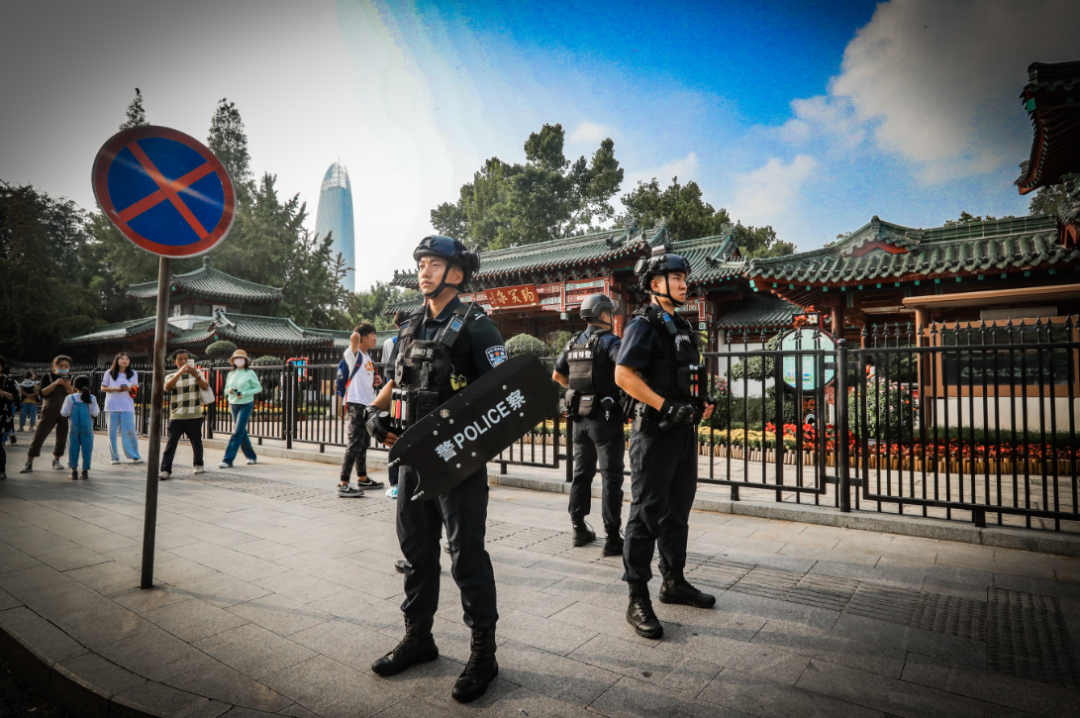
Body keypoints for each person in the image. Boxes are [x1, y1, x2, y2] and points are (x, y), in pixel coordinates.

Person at [364, 235, 506, 703]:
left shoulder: (478, 326)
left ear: (457, 274)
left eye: (434, 264)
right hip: (413, 460)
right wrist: (374, 414)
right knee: (416, 551)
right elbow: (395, 383)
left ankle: (484, 653)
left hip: (459, 461)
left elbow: (504, 393)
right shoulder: (409, 327)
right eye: (421, 263)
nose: (424, 271)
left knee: (466, 554)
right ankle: (419, 638)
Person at [615, 249, 716, 640]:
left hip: (683, 431)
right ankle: (637, 598)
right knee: (646, 513)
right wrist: (663, 405)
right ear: (655, 284)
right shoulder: (644, 324)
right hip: (654, 432)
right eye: (676, 278)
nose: (684, 284)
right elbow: (624, 375)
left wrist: (701, 401)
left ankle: (673, 581)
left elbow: (689, 374)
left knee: (678, 510)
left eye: (684, 278)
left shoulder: (684, 327)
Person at [552, 293, 625, 556]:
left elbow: (557, 375)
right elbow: (625, 369)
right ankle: (612, 538)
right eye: (611, 313)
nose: (612, 318)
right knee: (611, 476)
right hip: (605, 419)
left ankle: (578, 529)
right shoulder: (610, 341)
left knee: (582, 474)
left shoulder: (573, 343)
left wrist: (580, 391)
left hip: (579, 419)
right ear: (603, 315)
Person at [338, 323, 384, 496]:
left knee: (363, 443)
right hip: (356, 404)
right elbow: (354, 338)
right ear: (363, 338)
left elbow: (363, 377)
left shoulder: (367, 356)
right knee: (354, 443)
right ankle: (344, 483)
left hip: (366, 404)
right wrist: (359, 331)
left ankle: (363, 478)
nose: (376, 338)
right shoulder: (353, 354)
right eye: (373, 335)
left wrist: (375, 379)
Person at [159, 349, 210, 480]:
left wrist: (196, 375)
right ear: (174, 361)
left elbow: (205, 387)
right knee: (171, 443)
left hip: (194, 415)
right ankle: (165, 470)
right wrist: (179, 373)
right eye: (180, 359)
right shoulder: (170, 376)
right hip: (177, 416)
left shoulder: (198, 373)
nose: (183, 361)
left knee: (196, 442)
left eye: (186, 359)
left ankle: (199, 464)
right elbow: (167, 387)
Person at [21, 355, 75, 473]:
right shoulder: (48, 377)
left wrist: (68, 386)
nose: (63, 368)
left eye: (66, 366)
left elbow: (74, 396)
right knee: (39, 435)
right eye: (60, 365)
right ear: (55, 366)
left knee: (62, 437)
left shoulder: (71, 378)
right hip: (49, 410)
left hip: (66, 412)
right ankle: (29, 462)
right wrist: (54, 383)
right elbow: (43, 393)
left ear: (69, 367)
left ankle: (56, 460)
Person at [218, 349, 262, 468]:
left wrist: (245, 393)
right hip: (233, 403)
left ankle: (227, 459)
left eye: (241, 358)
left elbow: (258, 388)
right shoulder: (231, 374)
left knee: (237, 431)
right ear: (233, 361)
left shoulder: (250, 373)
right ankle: (251, 456)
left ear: (245, 361)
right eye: (236, 358)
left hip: (246, 404)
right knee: (241, 431)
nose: (239, 360)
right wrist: (230, 390)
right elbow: (226, 389)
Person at [382, 312, 408, 499]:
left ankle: (395, 484)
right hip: (411, 396)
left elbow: (388, 370)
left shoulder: (389, 342)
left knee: (395, 439)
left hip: (396, 397)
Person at [101, 352, 143, 465]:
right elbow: (103, 388)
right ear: (117, 360)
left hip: (127, 407)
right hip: (112, 406)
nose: (125, 361)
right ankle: (114, 457)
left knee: (130, 432)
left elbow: (135, 389)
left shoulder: (133, 373)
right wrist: (115, 389)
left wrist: (128, 389)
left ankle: (134, 456)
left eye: (127, 359)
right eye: (122, 358)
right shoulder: (109, 373)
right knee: (112, 433)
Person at [61, 375, 99, 480]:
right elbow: (95, 413)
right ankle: (85, 472)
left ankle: (74, 472)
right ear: (89, 386)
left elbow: (64, 413)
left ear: (74, 386)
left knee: (73, 448)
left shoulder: (70, 398)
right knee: (87, 448)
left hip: (73, 426)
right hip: (87, 426)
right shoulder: (92, 398)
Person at [0, 356, 21, 481]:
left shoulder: (7, 380)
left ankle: (2, 472)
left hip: (2, 415)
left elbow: (16, 397)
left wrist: (2, 392)